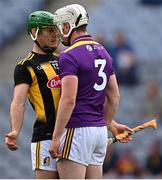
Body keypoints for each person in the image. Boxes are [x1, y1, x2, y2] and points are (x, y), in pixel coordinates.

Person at [49, 4, 133, 179]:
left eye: (59, 27)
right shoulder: (104, 52)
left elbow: (69, 100)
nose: (58, 32)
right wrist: (106, 124)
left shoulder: (69, 55)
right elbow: (114, 96)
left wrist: (56, 137)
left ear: (67, 26)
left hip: (76, 130)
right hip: (99, 133)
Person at [5, 11, 60, 179]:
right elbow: (18, 102)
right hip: (45, 138)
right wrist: (15, 130)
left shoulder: (64, 61)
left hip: (72, 135)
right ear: (34, 32)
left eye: (55, 30)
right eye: (49, 30)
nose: (54, 35)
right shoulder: (25, 66)